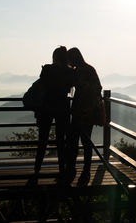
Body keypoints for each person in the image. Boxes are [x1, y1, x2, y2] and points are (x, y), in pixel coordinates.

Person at [29, 46, 74, 185]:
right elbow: (71, 88)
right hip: (63, 107)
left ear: (54, 57)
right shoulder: (69, 72)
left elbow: (41, 87)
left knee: (42, 140)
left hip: (47, 107)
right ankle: (62, 169)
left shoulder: (47, 69)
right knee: (61, 140)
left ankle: (37, 170)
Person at [67, 47, 102, 186]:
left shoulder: (79, 71)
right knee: (86, 141)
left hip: (81, 110)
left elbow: (95, 89)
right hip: (87, 110)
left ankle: (73, 169)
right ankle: (85, 171)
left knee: (75, 141)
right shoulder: (89, 69)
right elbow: (98, 89)